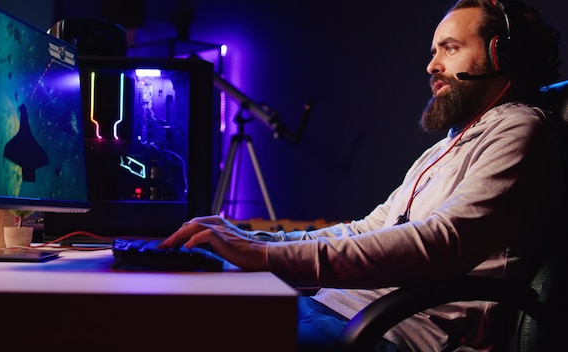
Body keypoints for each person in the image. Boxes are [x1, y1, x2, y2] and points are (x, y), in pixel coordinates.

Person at [159, 0, 564, 350]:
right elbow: (365, 230)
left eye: (450, 49)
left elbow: (444, 242)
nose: (432, 65)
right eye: (434, 50)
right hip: (341, 312)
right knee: (173, 319)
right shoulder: (445, 148)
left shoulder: (520, 130)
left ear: (501, 56)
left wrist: (265, 257)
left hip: (394, 333)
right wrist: (248, 240)